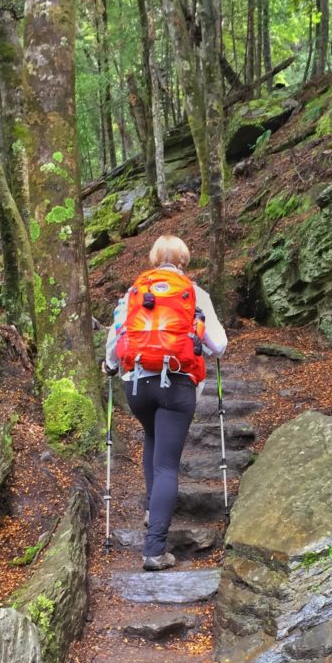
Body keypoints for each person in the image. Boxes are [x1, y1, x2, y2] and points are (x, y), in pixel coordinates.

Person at [104, 235, 227, 571]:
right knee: (167, 465)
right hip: (177, 385)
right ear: (184, 259)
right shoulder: (194, 293)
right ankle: (155, 549)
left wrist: (110, 367)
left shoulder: (133, 292)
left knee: (152, 439)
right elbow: (219, 345)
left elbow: (116, 341)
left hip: (138, 386)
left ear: (154, 257)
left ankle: (151, 510)